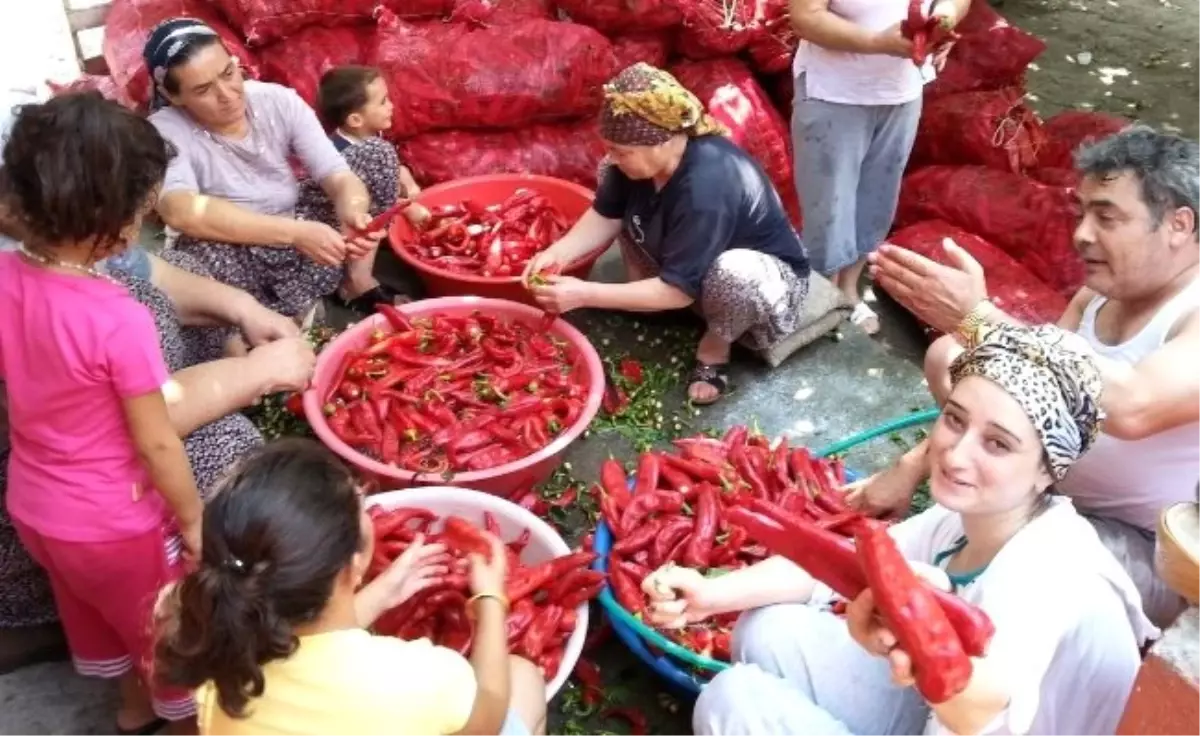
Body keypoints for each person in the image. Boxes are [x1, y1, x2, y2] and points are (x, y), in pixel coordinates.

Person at [656, 323, 1158, 735]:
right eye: (955, 420)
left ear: (1048, 469)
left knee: (731, 702)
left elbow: (979, 711)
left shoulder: (1048, 572)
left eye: (999, 444)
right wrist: (708, 594)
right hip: (939, 719)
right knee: (765, 628)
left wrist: (914, 643)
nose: (957, 455)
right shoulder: (964, 521)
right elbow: (840, 566)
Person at [869, 125, 1200, 627]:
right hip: (1048, 490)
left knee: (976, 584)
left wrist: (979, 318)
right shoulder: (1097, 297)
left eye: (1106, 216)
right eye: (1083, 213)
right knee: (949, 356)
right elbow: (1026, 388)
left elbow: (1134, 407)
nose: (1082, 234)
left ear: (1178, 225)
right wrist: (913, 465)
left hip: (1140, 545)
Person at [0, 93, 201, 734]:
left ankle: (131, 709)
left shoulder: (4, 275)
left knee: (93, 612)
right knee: (168, 627)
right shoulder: (117, 320)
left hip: (37, 508)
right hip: (119, 523)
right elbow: (159, 444)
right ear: (113, 222)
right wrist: (193, 521)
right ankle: (183, 719)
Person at [154, 439, 548, 736]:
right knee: (523, 677)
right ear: (354, 563)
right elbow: (488, 714)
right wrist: (491, 599)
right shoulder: (410, 678)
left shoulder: (217, 657)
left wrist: (381, 593)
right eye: (362, 507)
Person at [524, 63, 812, 405]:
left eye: (623, 151)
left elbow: (678, 293)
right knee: (607, 171)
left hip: (762, 288)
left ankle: (715, 348)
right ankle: (645, 294)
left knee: (734, 274)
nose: (615, 158)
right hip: (692, 265)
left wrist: (586, 294)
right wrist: (559, 252)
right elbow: (606, 214)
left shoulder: (707, 186)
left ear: (661, 141)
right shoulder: (639, 163)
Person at [143, 18, 403, 320]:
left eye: (228, 73)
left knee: (375, 154)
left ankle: (354, 281)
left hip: (299, 223)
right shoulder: (162, 131)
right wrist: (294, 234)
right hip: (242, 245)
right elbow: (181, 211)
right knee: (196, 259)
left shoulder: (275, 100)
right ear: (173, 96)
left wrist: (353, 213)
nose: (227, 94)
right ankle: (286, 310)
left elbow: (336, 173)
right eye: (203, 90)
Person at [788, 0, 968, 334]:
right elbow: (804, 16)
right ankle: (819, 300)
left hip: (902, 93)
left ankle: (848, 290)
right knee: (827, 207)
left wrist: (945, 19)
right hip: (834, 92)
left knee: (877, 200)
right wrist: (877, 43)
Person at [312, 64, 428, 226]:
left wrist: (404, 177)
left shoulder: (372, 131)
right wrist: (405, 207)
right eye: (383, 102)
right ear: (356, 120)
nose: (391, 106)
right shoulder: (342, 156)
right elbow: (371, 203)